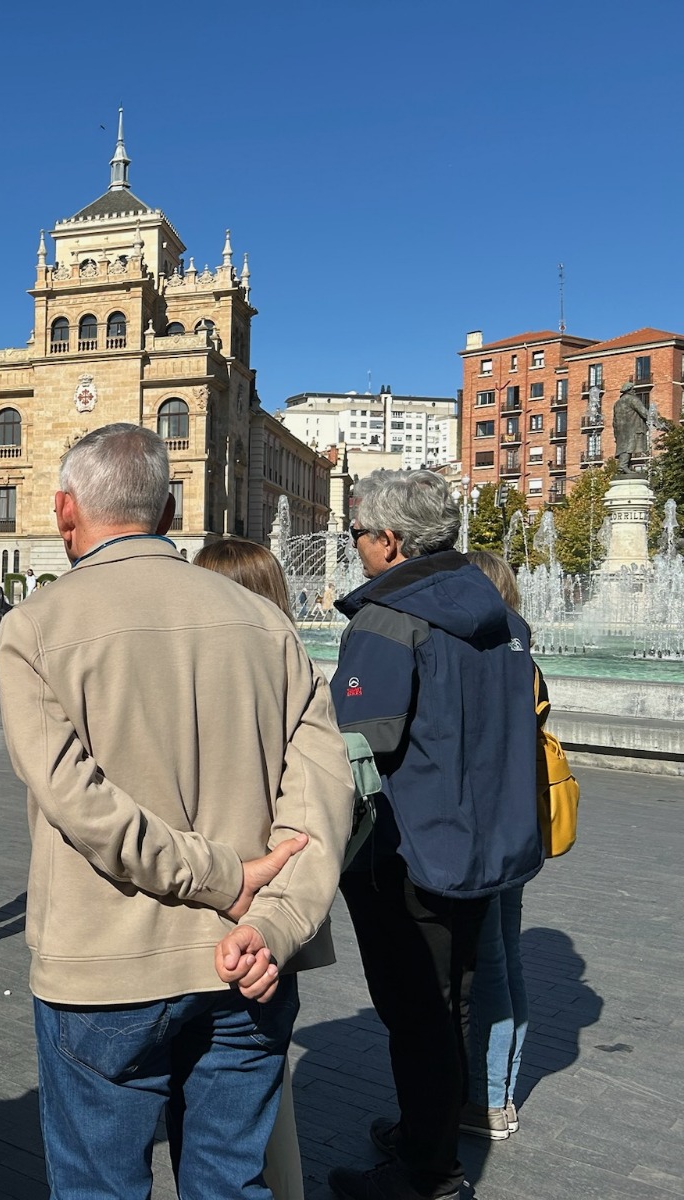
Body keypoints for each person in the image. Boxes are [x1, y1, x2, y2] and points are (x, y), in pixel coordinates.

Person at [0, 423, 352, 1199]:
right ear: (167, 512)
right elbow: (323, 797)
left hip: (106, 968)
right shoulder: (268, 624)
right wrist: (276, 921)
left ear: (65, 511)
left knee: (99, 1188)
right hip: (248, 961)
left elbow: (78, 802)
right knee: (230, 1184)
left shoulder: (35, 628)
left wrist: (219, 877)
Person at [327, 470, 542, 1200]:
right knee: (451, 1002)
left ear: (390, 541)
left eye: (358, 534)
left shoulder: (387, 619)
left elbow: (358, 741)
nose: (355, 545)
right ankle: (428, 1135)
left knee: (415, 1010)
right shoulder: (502, 618)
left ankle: (429, 1174)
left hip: (407, 849)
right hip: (484, 843)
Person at [194, 536, 341, 1200]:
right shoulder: (298, 678)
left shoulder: (191, 682)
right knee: (254, 1108)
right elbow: (316, 812)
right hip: (275, 921)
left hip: (203, 918)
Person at [461, 550, 534, 1142]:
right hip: (519, 829)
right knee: (507, 959)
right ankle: (502, 1095)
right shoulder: (522, 655)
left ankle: (486, 1101)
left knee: (488, 966)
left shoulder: (482, 657)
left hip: (484, 832)